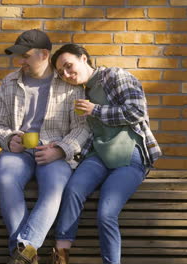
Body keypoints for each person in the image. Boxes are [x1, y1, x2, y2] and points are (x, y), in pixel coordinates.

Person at [49, 44, 162, 264]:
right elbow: (86, 130)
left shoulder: (114, 75)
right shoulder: (81, 91)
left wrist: (96, 110)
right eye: (61, 72)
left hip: (129, 155)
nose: (66, 74)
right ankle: (61, 256)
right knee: (72, 190)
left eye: (68, 65)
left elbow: (137, 111)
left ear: (84, 58)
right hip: (99, 155)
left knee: (106, 213)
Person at [0, 30, 89, 264]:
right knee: (5, 178)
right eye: (19, 57)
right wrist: (8, 139)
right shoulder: (9, 82)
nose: (20, 61)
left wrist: (61, 149)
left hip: (54, 152)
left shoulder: (69, 84)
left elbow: (82, 127)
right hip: (19, 151)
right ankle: (27, 253)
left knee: (55, 188)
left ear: (44, 54)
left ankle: (23, 251)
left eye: (25, 56)